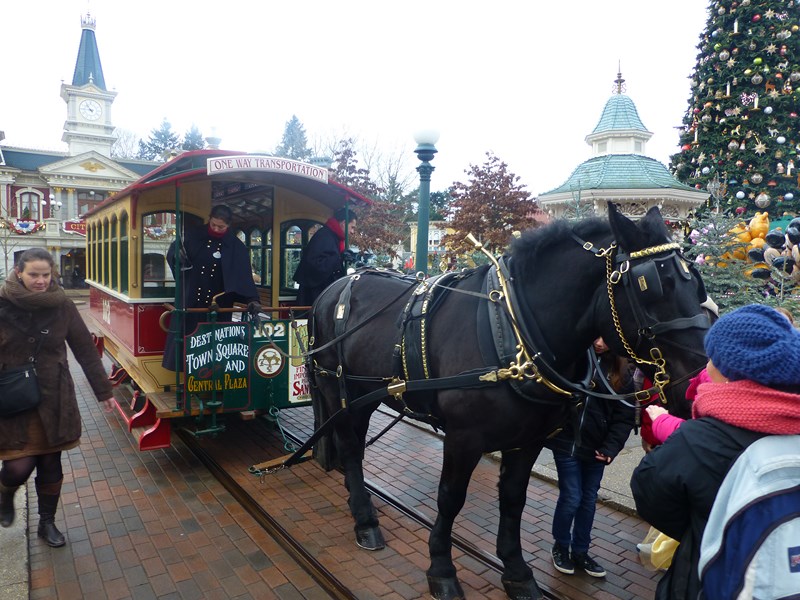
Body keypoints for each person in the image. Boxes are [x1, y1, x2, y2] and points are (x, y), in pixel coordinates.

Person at [630, 304, 800, 600]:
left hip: (706, 577)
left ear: (726, 369)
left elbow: (649, 492)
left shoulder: (700, 439)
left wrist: (702, 526)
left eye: (712, 356)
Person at [0, 248, 114, 547]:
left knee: (51, 464)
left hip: (53, 396)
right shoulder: (2, 303)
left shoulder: (62, 305)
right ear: (19, 272)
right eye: (33, 275)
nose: (40, 281)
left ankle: (46, 523)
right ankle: (5, 492)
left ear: (53, 274)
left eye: (46, 275)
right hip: (13, 397)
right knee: (18, 466)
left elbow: (85, 350)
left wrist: (103, 391)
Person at [546, 337, 636, 578]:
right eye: (596, 337)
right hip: (567, 444)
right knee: (572, 497)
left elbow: (624, 417)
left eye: (605, 338)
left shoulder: (622, 374)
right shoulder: (575, 360)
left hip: (597, 449)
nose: (599, 343)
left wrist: (610, 448)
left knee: (587, 500)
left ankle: (580, 551)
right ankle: (561, 546)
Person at [162, 205, 260, 370]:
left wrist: (252, 299)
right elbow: (174, 252)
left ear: (228, 225)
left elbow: (243, 276)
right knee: (189, 342)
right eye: (213, 224)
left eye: (220, 227)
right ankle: (188, 377)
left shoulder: (236, 246)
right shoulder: (193, 236)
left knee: (215, 345)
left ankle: (215, 378)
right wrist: (177, 256)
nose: (215, 229)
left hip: (219, 305)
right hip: (192, 300)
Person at [293, 206, 357, 306]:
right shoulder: (324, 236)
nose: (352, 232)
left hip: (322, 292)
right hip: (313, 294)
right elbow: (314, 265)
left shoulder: (335, 237)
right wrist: (339, 257)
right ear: (344, 223)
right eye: (352, 227)